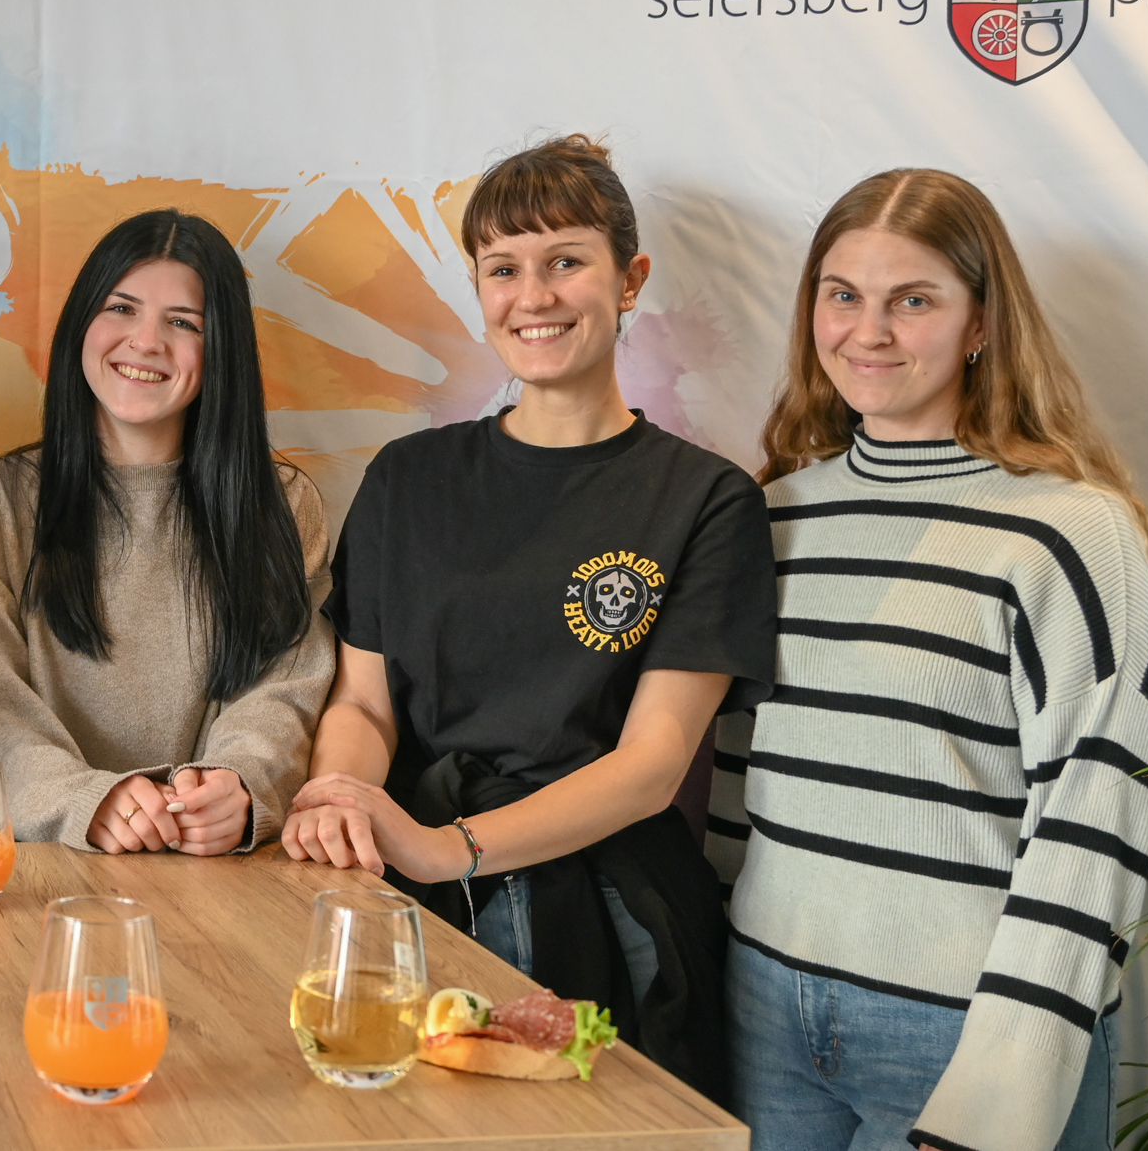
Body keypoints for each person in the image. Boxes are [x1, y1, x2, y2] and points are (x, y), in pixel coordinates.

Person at [281, 135, 777, 1099]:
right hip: (401, 896)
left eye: (565, 261)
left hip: (609, 914)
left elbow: (651, 765)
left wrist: (449, 848)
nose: (533, 295)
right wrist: (340, 801)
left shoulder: (707, 500)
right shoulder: (406, 478)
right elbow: (364, 704)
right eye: (503, 268)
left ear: (630, 280)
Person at [708, 168, 1148, 1151]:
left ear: (980, 324)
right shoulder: (770, 516)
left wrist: (998, 1099)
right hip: (762, 1010)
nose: (868, 331)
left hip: (960, 1028)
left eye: (912, 300)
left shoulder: (1067, 532)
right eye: (842, 295)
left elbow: (1094, 823)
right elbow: (738, 784)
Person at [0, 210, 334, 855]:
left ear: (222, 350)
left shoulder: (284, 506)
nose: (146, 342)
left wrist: (238, 784)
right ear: (81, 324)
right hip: (39, 865)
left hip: (217, 868)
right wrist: (85, 800)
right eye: (121, 309)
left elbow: (287, 685)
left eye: (184, 323)